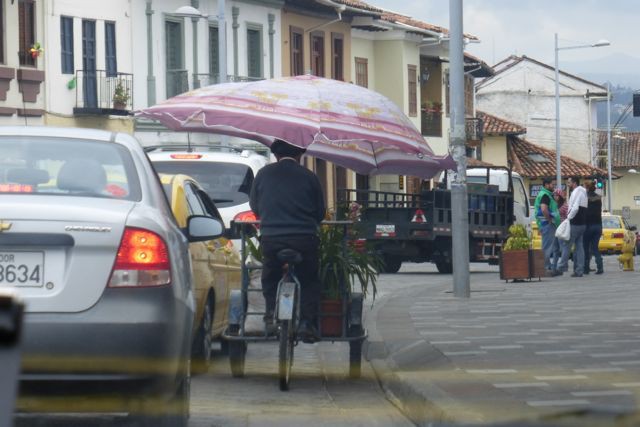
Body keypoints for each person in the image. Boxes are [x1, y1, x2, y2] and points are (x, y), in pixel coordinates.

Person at [249, 139, 325, 342]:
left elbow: (255, 207)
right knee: (309, 279)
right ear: (300, 155)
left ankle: (270, 313)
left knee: (270, 275)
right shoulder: (310, 177)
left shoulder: (263, 174)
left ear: (275, 155)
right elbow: (320, 213)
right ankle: (307, 324)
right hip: (304, 239)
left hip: (272, 239)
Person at [556, 176, 588, 277]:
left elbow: (575, 208)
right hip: (582, 224)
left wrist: (568, 218)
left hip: (575, 223)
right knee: (579, 247)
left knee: (567, 245)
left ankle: (561, 267)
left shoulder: (576, 192)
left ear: (574, 183)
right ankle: (579, 270)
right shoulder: (584, 192)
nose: (568, 184)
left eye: (569, 182)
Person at [533, 178, 560, 275]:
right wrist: (549, 219)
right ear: (546, 185)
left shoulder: (546, 194)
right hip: (547, 224)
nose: (554, 186)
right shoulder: (545, 195)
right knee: (547, 247)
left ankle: (547, 266)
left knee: (547, 246)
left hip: (545, 224)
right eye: (552, 184)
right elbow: (544, 209)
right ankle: (544, 268)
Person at [583, 181, 603, 274]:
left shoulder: (585, 198)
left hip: (588, 226)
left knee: (586, 247)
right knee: (595, 248)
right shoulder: (599, 198)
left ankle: (586, 268)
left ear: (587, 188)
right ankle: (600, 268)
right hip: (598, 225)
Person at [551, 188, 569, 274]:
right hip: (555, 228)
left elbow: (568, 217)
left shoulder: (565, 206)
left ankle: (562, 266)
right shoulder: (554, 205)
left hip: (562, 229)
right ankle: (554, 267)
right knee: (555, 249)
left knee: (562, 248)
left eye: (556, 195)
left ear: (560, 196)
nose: (555, 197)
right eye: (554, 195)